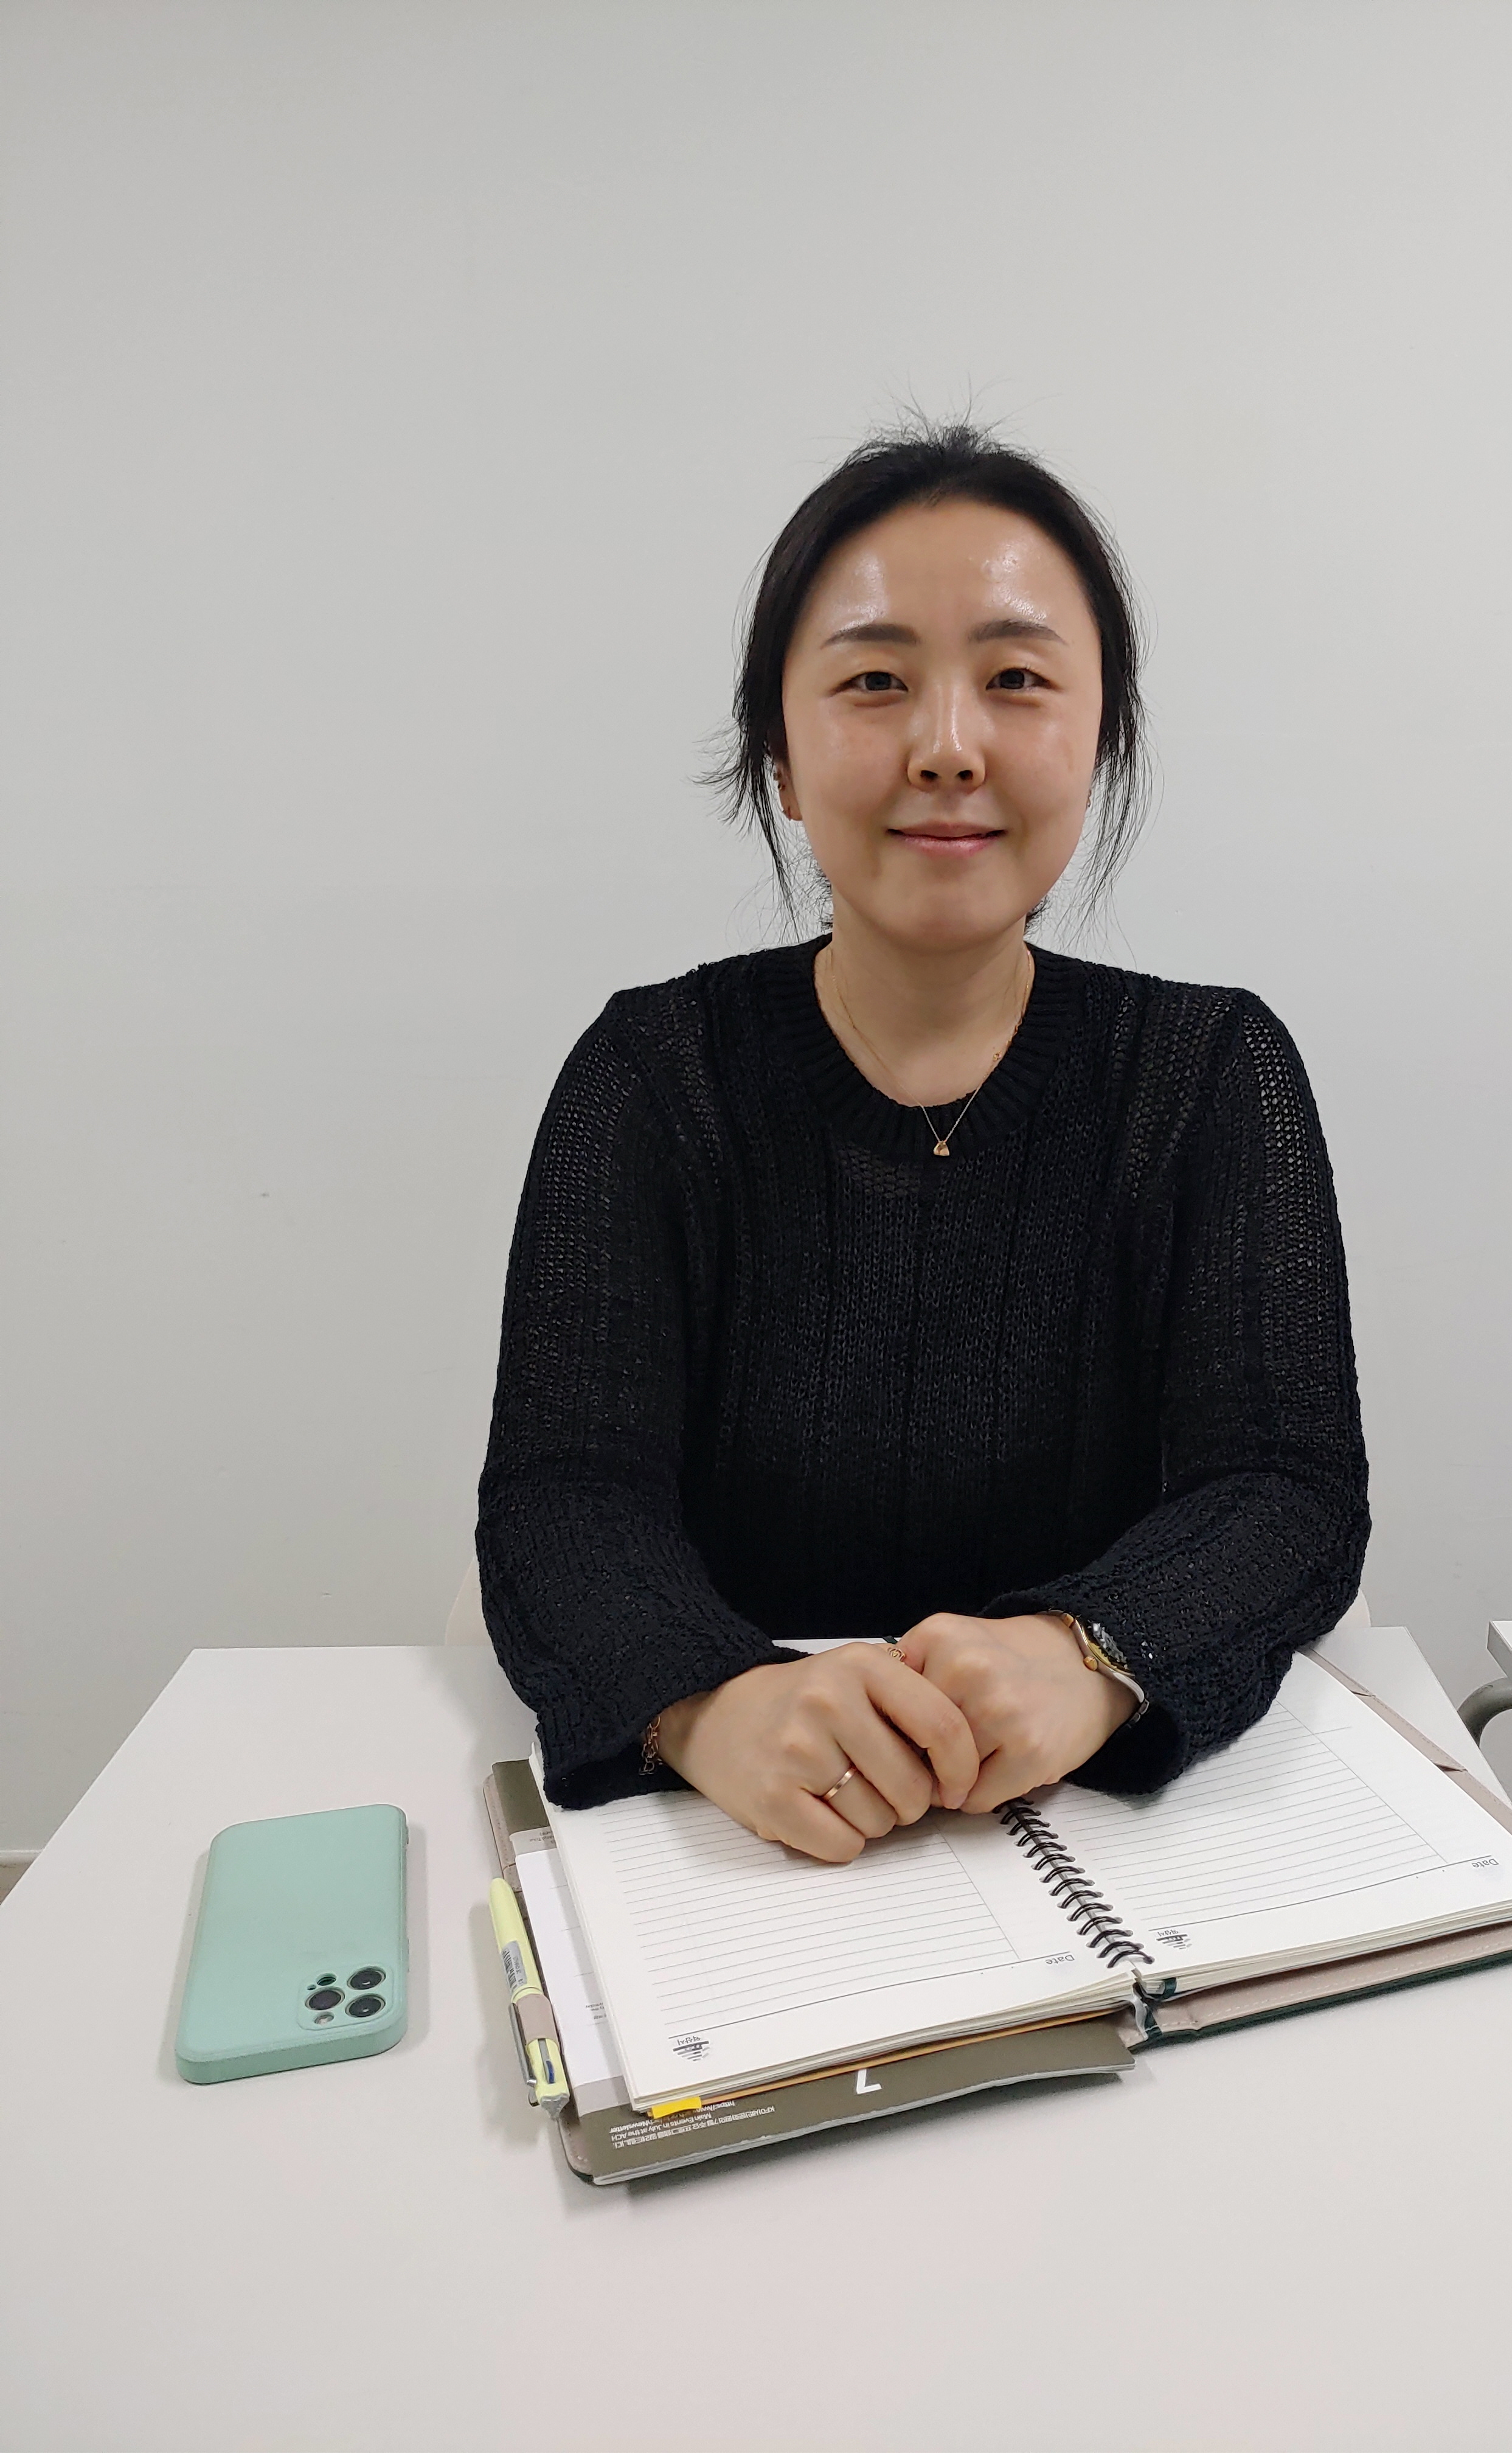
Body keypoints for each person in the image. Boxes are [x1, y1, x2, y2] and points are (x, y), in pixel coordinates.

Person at [477, 419, 1368, 1862]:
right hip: (745, 1851)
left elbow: (1287, 1488)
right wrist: (709, 1702)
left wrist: (1093, 1654)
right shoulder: (650, 1077)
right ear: (779, 755)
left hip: (1111, 1840)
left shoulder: (1211, 1074)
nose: (949, 747)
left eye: (1016, 680)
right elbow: (562, 1499)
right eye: (875, 682)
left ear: (1100, 740)